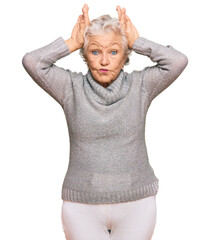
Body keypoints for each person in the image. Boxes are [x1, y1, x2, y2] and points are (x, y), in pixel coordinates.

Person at [22, 4, 188, 240]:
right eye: (95, 51)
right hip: (81, 206)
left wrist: (138, 41)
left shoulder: (140, 87)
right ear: (85, 54)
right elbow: (32, 61)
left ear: (125, 54)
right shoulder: (71, 88)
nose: (104, 61)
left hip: (137, 204)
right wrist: (71, 41)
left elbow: (177, 61)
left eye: (113, 51)